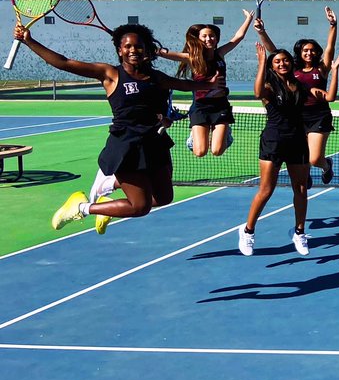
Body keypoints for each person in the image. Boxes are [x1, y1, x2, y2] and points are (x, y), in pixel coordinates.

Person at [14, 22, 209, 233]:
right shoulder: (110, 74)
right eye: (127, 46)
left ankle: (110, 188)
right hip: (127, 146)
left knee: (163, 197)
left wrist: (211, 85)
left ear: (146, 48)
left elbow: (186, 86)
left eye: (138, 46)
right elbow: (64, 62)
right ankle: (81, 207)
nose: (133, 50)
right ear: (119, 50)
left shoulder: (157, 77)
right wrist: (29, 40)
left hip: (155, 143)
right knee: (139, 206)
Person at [238, 44, 339, 256]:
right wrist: (261, 64)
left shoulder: (300, 86)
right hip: (274, 140)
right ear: (272, 66)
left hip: (297, 141)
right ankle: (248, 231)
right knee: (266, 189)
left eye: (285, 60)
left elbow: (329, 97)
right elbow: (258, 92)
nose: (282, 63)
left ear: (291, 62)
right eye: (277, 61)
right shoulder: (269, 85)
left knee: (301, 188)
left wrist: (335, 71)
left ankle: (299, 232)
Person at [257, 7, 339, 185]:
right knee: (302, 156)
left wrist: (333, 25)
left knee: (315, 158)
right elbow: (273, 52)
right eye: (305, 50)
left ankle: (326, 166)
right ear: (299, 53)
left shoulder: (321, 69)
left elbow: (330, 48)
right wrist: (262, 32)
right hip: (296, 117)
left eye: (312, 50)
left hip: (319, 116)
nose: (309, 53)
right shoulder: (292, 69)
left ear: (317, 52)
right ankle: (304, 174)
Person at [159, 10, 256, 157]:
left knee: (217, 151)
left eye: (212, 36)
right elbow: (164, 54)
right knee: (200, 152)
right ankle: (194, 137)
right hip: (200, 106)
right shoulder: (192, 58)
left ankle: (225, 135)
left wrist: (249, 18)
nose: (208, 39)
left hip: (220, 105)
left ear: (216, 39)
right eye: (204, 36)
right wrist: (147, 46)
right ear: (198, 39)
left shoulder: (220, 54)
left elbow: (238, 37)